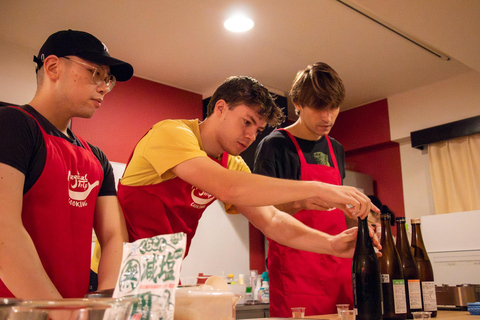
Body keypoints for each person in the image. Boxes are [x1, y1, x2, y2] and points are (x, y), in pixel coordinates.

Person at [114, 75, 379, 270]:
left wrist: (331, 244)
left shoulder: (233, 163)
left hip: (160, 273)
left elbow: (272, 221)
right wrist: (319, 187)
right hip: (116, 267)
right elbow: (229, 187)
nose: (251, 136)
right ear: (220, 108)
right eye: (247, 122)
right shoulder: (172, 133)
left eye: (258, 129)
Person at [0, 29, 133, 299]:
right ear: (52, 66)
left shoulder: (97, 157)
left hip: (74, 309)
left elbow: (114, 238)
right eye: (96, 73)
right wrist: (60, 313)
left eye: (108, 79)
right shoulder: (13, 124)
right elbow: (4, 230)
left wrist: (103, 307)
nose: (105, 87)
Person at [253, 62, 352, 317]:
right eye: (319, 107)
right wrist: (301, 202)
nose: (327, 117)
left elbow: (339, 210)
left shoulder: (336, 149)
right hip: (295, 268)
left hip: (338, 265)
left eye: (334, 107)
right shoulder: (275, 145)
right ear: (298, 103)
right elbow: (261, 210)